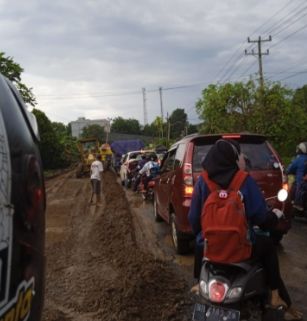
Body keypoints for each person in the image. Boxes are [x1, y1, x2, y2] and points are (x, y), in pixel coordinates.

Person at [188, 139, 302, 321]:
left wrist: (206, 234)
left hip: (211, 250)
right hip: (240, 250)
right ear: (232, 158)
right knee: (268, 246)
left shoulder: (203, 181)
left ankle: (197, 284)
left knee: (200, 240)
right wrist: (275, 217)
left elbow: (194, 220)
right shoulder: (243, 180)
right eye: (238, 155)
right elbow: (262, 219)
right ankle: (274, 295)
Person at [286, 142, 307, 211]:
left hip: (301, 183)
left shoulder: (298, 159)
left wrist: (287, 171)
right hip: (304, 182)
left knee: (296, 186)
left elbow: (289, 170)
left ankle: (297, 204)